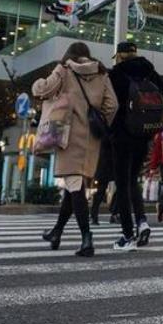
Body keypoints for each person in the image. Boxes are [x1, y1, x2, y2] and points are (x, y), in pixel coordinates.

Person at [33, 42, 117, 257]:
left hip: (67, 136)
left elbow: (43, 90)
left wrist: (40, 81)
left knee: (75, 187)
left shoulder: (64, 70)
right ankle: (56, 232)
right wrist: (97, 122)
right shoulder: (101, 73)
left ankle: (87, 238)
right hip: (91, 140)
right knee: (74, 186)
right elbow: (112, 105)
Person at [109, 41, 163, 251]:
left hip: (121, 136)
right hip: (144, 136)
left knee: (123, 183)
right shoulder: (150, 72)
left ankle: (127, 235)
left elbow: (110, 105)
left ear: (119, 56)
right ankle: (142, 221)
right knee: (133, 180)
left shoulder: (116, 74)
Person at [90, 136, 117, 226]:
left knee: (121, 188)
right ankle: (95, 215)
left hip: (110, 162)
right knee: (100, 192)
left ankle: (114, 213)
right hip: (105, 163)